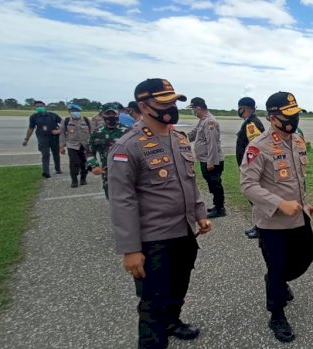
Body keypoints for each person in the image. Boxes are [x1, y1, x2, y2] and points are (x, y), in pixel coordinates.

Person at [108, 78, 210, 349]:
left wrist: (200, 213)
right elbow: (122, 200)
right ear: (143, 106)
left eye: (173, 102)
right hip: (153, 241)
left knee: (178, 289)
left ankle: (173, 321)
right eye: (163, 103)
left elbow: (189, 181)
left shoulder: (179, 138)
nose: (171, 108)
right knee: (153, 303)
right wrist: (130, 249)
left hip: (184, 233)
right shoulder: (127, 146)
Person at [240, 91, 313, 343]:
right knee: (277, 269)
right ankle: (276, 315)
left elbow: (298, 179)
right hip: (272, 222)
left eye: (296, 114)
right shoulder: (258, 146)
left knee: (307, 256)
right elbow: (248, 185)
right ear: (272, 117)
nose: (294, 120)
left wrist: (304, 205)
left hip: (299, 216)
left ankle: (279, 280)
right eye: (289, 115)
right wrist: (279, 203)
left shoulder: (297, 141)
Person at [187, 97, 226, 218]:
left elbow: (212, 143)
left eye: (193, 109)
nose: (193, 111)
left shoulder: (210, 122)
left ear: (198, 108)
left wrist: (211, 162)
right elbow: (193, 135)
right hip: (205, 159)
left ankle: (220, 209)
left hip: (212, 160)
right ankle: (217, 205)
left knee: (215, 184)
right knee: (212, 184)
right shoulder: (202, 121)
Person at [235, 96, 266, 238]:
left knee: (256, 200)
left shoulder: (251, 124)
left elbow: (255, 149)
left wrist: (249, 169)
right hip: (252, 168)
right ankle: (258, 225)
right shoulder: (250, 122)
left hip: (253, 169)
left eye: (239, 108)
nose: (239, 111)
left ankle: (261, 228)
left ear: (245, 108)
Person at [87, 102, 129, 198]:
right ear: (102, 114)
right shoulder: (96, 133)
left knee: (128, 198)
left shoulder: (128, 132)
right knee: (111, 198)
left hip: (127, 171)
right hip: (107, 172)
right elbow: (89, 151)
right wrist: (94, 165)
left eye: (113, 114)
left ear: (118, 114)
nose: (111, 116)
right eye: (107, 114)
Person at [22, 100, 63, 178]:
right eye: (37, 107)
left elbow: (64, 124)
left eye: (40, 106)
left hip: (54, 137)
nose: (39, 108)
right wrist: (26, 139)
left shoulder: (53, 115)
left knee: (56, 154)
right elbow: (31, 128)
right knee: (45, 154)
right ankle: (46, 171)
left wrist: (59, 131)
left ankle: (57, 168)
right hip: (42, 137)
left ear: (44, 106)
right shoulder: (34, 117)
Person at [59, 103, 92, 187]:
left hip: (85, 145)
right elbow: (62, 134)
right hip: (72, 145)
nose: (75, 112)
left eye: (76, 111)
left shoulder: (86, 120)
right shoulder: (66, 121)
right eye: (72, 111)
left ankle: (83, 178)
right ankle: (74, 180)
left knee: (84, 163)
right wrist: (61, 147)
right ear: (69, 112)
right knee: (74, 162)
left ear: (80, 111)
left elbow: (92, 132)